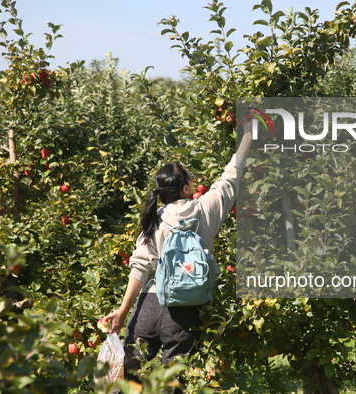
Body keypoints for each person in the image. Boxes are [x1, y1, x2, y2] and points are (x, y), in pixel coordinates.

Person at [103, 113, 254, 387]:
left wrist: (123, 310)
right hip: (185, 312)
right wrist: (248, 136)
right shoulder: (205, 208)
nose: (194, 182)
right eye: (191, 179)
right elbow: (231, 176)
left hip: (149, 305)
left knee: (127, 381)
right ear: (185, 187)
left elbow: (140, 267)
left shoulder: (154, 219)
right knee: (173, 384)